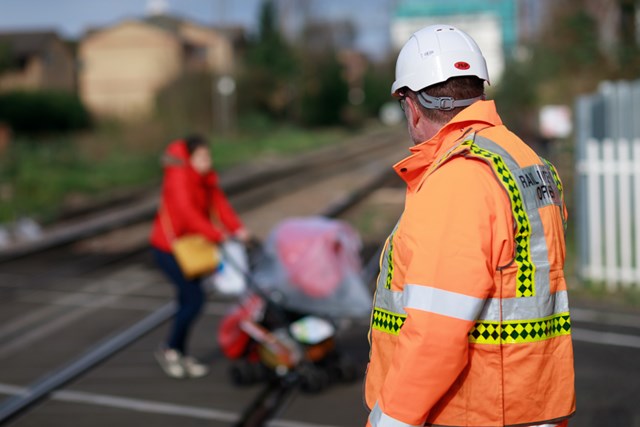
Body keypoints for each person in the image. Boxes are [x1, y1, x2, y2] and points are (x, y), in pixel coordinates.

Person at [364, 25, 575, 427]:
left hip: (471, 409)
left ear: (410, 105)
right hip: (531, 401)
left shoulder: (459, 177)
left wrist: (390, 420)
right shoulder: (523, 159)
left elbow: (436, 331)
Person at [150, 134, 251, 379]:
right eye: (203, 156)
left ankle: (177, 351)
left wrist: (237, 228)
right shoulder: (180, 179)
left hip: (188, 248)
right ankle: (170, 349)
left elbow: (220, 205)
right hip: (169, 249)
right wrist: (218, 234)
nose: (208, 160)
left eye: (209, 155)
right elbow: (187, 215)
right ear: (189, 158)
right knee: (193, 300)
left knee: (188, 301)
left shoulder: (204, 178)